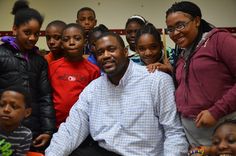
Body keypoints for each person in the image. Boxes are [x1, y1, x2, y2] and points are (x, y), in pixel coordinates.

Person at [45, 32, 188, 156]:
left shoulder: (157, 81)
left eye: (111, 49)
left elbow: (174, 133)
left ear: (125, 52)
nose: (106, 56)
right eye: (100, 52)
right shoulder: (93, 89)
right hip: (103, 151)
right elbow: (71, 129)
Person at [165, 0, 236, 150]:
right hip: (194, 140)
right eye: (170, 29)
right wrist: (170, 71)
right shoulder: (183, 53)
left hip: (224, 134)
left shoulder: (219, 40)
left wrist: (216, 112)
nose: (175, 33)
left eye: (180, 25)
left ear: (196, 21)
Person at [0, 0, 56, 152]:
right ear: (14, 29)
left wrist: (47, 130)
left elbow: (45, 97)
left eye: (37, 34)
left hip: (32, 131)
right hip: (3, 129)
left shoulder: (40, 61)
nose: (32, 38)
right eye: (27, 32)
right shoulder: (1, 54)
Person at [48, 23, 100, 128]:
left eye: (77, 38)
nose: (71, 43)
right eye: (66, 39)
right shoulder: (52, 67)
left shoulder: (93, 70)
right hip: (56, 125)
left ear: (85, 42)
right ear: (62, 43)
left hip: (83, 126)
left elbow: (96, 102)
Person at [0, 85, 32, 156]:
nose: (6, 109)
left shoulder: (25, 134)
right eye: (2, 105)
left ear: (27, 112)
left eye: (14, 106)